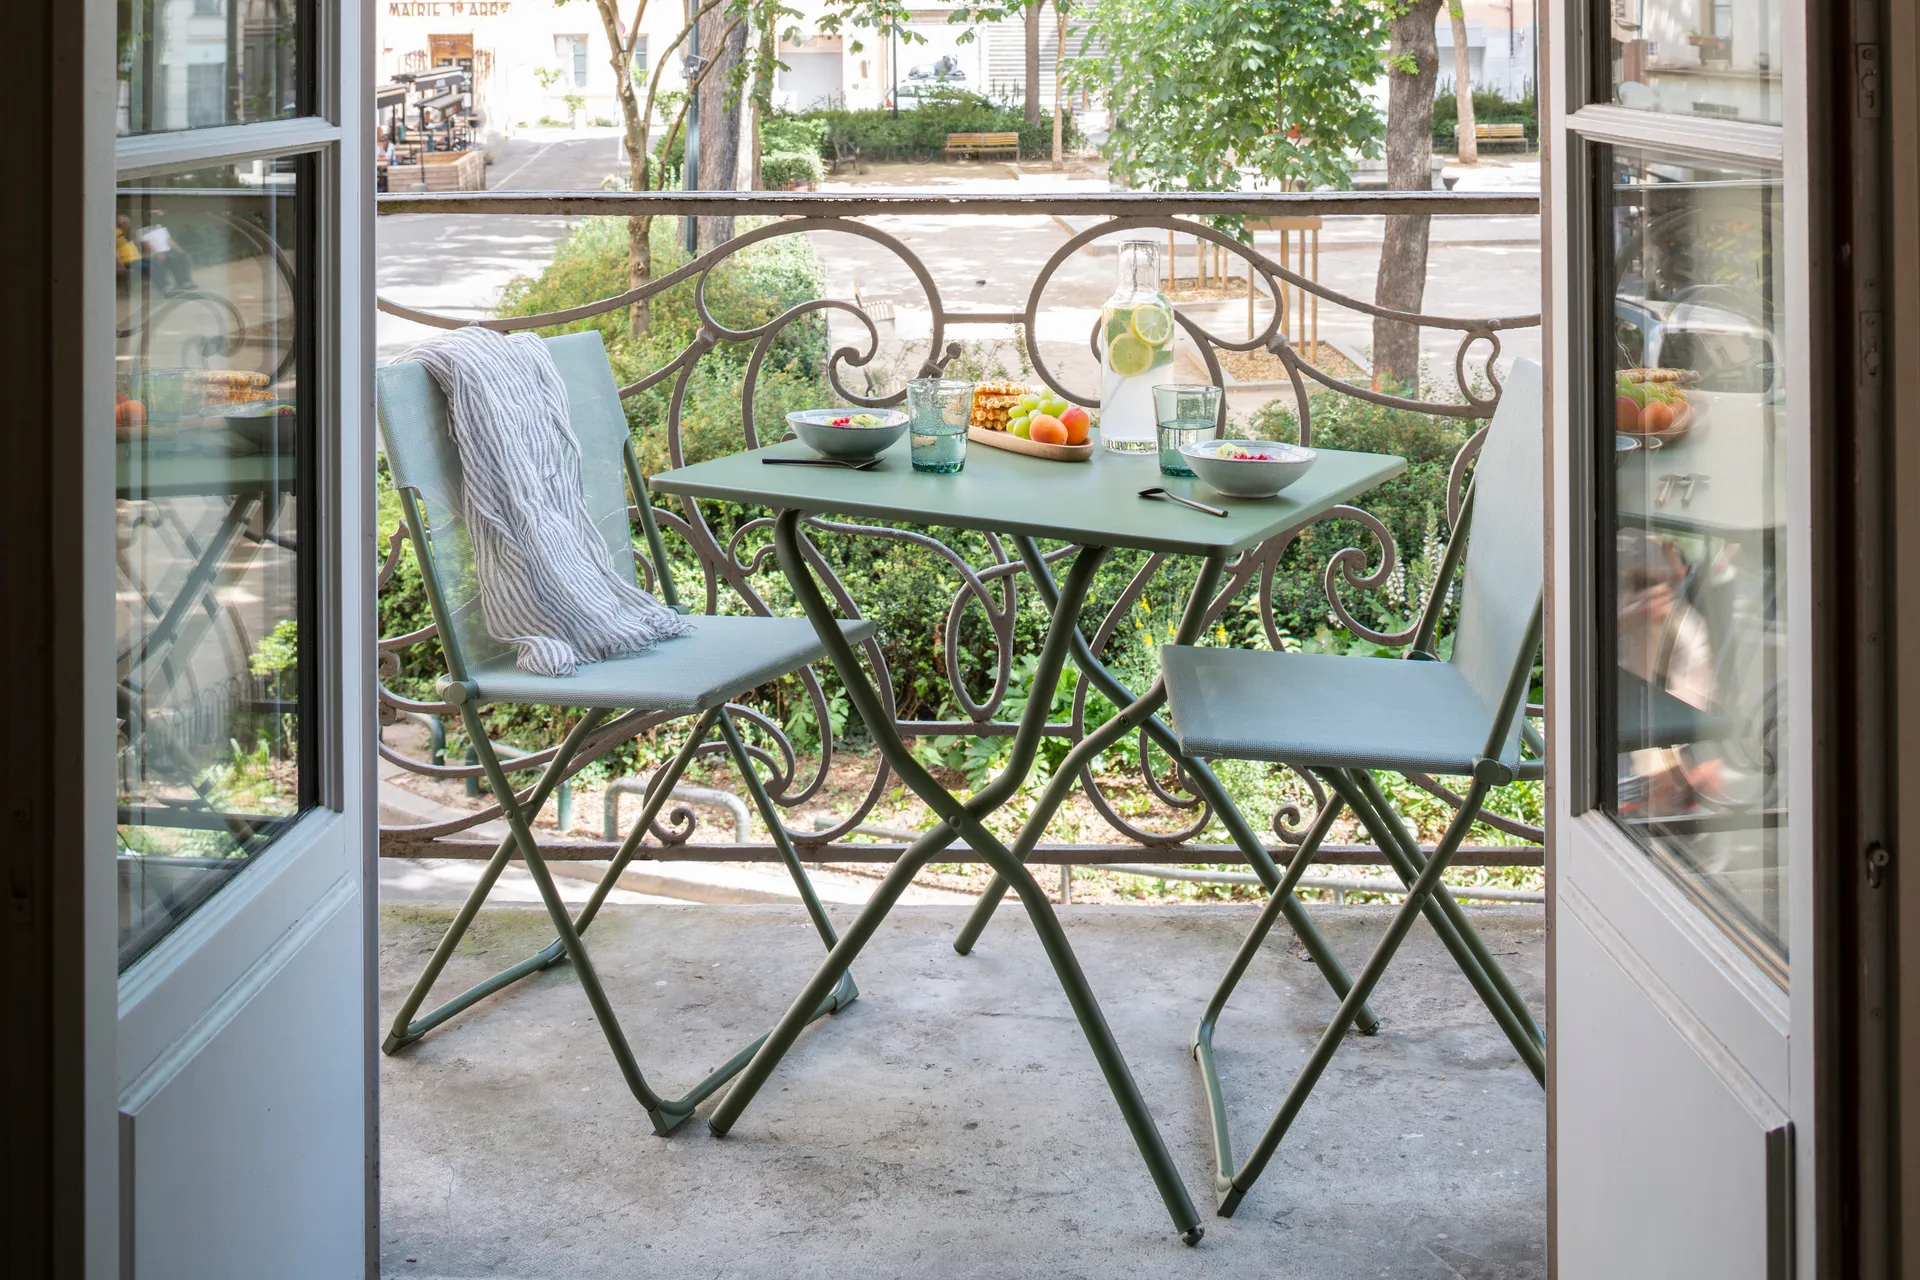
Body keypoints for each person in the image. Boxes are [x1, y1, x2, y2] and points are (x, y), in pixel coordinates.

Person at [138, 217, 193, 293]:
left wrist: (179, 250)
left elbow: (169, 240)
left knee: (182, 257)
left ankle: (185, 281)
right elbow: (146, 245)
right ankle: (168, 286)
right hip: (154, 254)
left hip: (168, 251)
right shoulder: (143, 231)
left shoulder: (160, 228)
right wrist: (157, 253)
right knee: (171, 260)